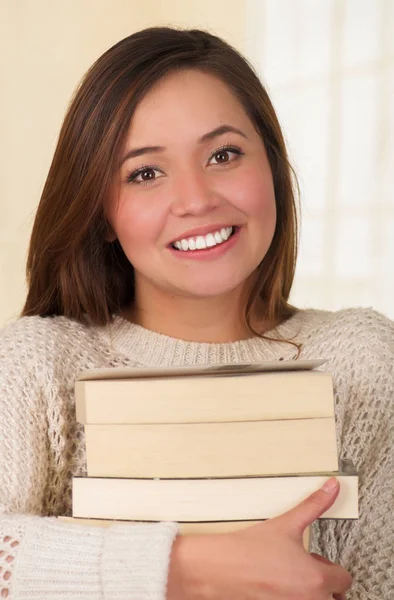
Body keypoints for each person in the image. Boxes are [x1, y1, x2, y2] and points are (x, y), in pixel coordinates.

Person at [0, 26, 392, 600]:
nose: (197, 199)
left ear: (274, 169)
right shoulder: (38, 364)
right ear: (101, 213)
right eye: (145, 173)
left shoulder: (365, 359)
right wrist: (181, 567)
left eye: (224, 154)